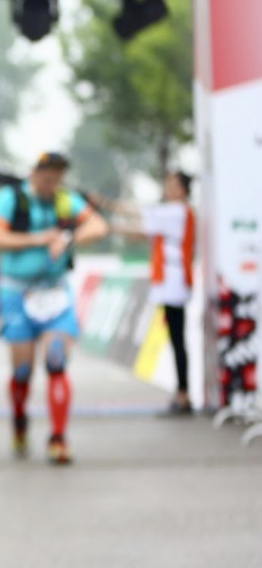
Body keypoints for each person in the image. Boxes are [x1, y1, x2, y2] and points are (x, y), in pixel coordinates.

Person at [0, 152, 109, 465]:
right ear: (34, 173)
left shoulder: (65, 200)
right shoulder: (11, 197)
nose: (51, 183)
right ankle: (19, 420)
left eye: (57, 178)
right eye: (46, 177)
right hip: (17, 294)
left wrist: (68, 238)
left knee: (56, 361)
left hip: (55, 293)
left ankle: (59, 438)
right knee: (22, 370)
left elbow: (98, 227)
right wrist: (39, 239)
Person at [100, 171, 197, 415]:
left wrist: (104, 205)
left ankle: (183, 394)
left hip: (174, 281)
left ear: (183, 189)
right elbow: (142, 233)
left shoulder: (176, 211)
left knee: (177, 339)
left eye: (173, 184)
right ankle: (182, 392)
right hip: (170, 281)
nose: (168, 188)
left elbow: (137, 214)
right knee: (176, 338)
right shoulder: (173, 214)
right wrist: (110, 226)